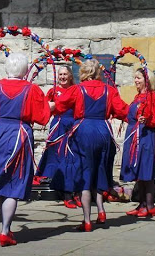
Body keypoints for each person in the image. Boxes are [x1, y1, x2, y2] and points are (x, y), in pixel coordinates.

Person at [0, 53, 50, 246]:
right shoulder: (32, 89)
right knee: (14, 182)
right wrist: (51, 106)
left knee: (1, 179)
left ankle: (5, 229)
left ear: (7, 68)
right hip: (20, 134)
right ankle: (6, 230)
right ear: (25, 71)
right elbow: (42, 117)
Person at [51, 59, 128, 231]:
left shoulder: (77, 89)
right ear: (98, 73)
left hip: (83, 130)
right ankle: (101, 211)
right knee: (99, 170)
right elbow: (122, 110)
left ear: (83, 73)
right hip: (103, 131)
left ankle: (86, 220)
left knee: (84, 174)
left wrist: (41, 110)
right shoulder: (109, 90)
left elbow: (60, 105)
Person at [36, 66, 81, 209]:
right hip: (58, 126)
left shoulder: (76, 90)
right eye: (60, 74)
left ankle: (75, 192)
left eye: (65, 74)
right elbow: (43, 107)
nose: (62, 77)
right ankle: (65, 193)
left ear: (70, 76)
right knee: (58, 158)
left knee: (72, 159)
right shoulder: (53, 91)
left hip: (72, 125)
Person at [121, 67, 155, 217]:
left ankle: (149, 205)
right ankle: (141, 204)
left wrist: (147, 120)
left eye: (138, 78)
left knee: (146, 171)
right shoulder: (137, 97)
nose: (135, 80)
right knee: (139, 172)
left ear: (147, 80)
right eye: (135, 78)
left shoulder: (152, 97)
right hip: (134, 135)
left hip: (145, 136)